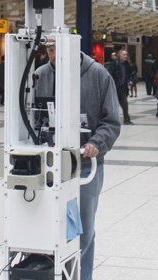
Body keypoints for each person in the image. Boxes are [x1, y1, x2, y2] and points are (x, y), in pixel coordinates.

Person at [35, 41, 121, 280]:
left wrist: (96, 143)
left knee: (83, 228)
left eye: (57, 49)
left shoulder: (98, 74)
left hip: (85, 167)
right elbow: (31, 115)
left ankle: (82, 276)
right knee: (50, 226)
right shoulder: (41, 75)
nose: (52, 55)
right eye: (49, 50)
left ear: (71, 47)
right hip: (49, 165)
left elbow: (112, 120)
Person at [108, 49, 134, 124]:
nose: (125, 56)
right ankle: (111, 120)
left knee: (125, 104)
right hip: (115, 87)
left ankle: (126, 119)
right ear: (119, 55)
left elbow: (130, 73)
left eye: (126, 55)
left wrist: (130, 65)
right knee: (113, 105)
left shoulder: (127, 64)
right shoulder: (114, 63)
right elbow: (110, 75)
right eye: (124, 55)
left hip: (123, 87)